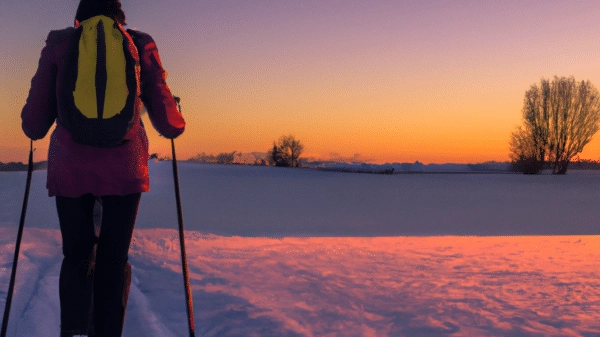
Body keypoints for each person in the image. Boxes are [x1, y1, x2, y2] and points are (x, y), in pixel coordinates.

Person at [20, 0, 185, 336]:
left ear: (79, 17)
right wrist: (176, 117)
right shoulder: (139, 43)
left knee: (77, 255)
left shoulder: (60, 42)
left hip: (70, 169)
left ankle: (76, 332)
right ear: (119, 17)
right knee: (113, 259)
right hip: (125, 169)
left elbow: (35, 125)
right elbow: (170, 124)